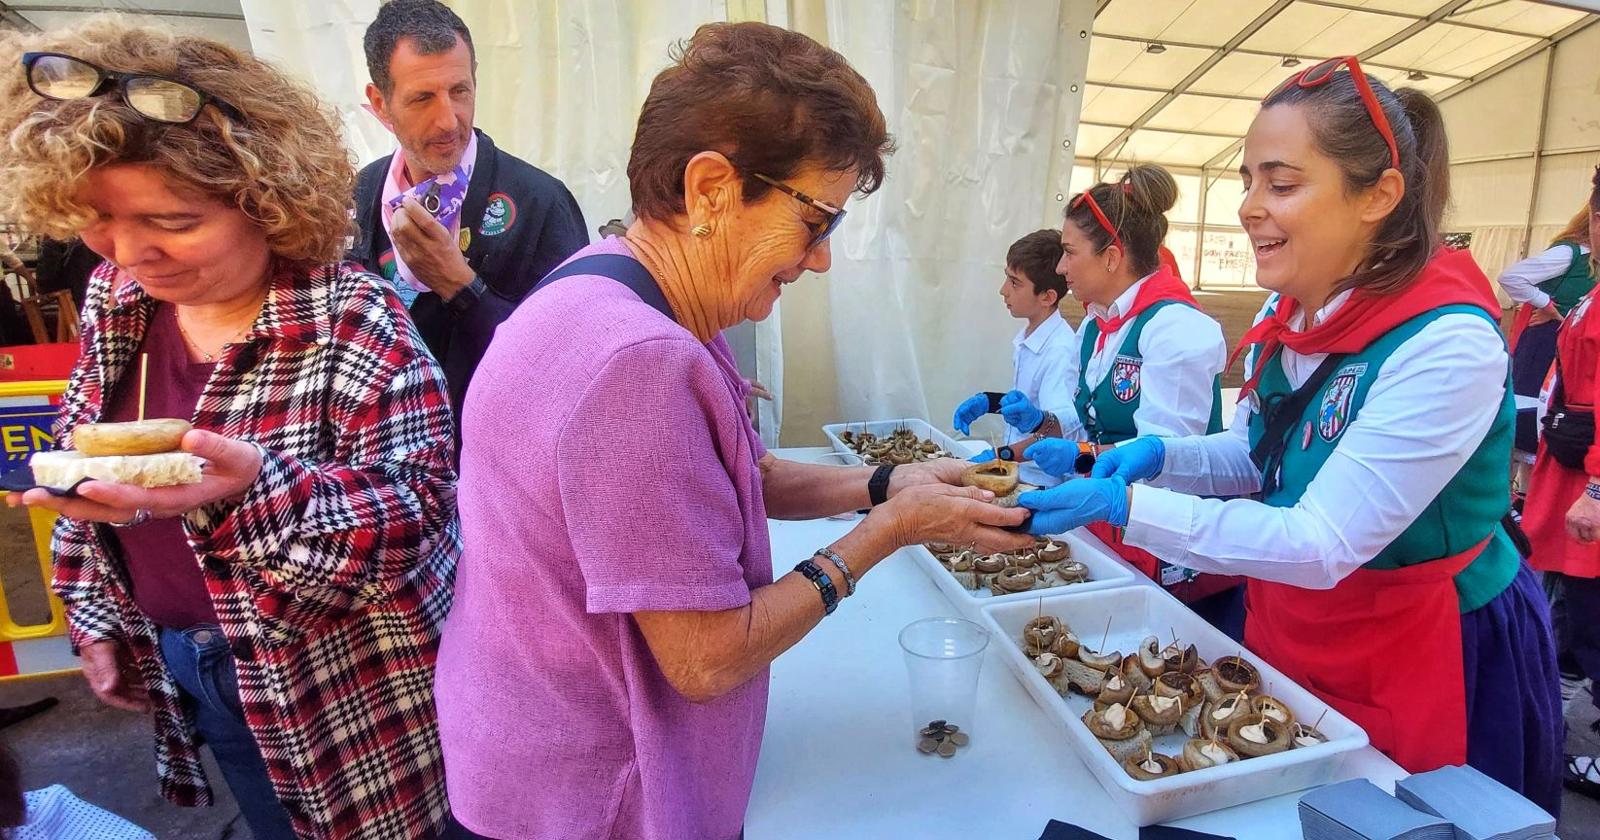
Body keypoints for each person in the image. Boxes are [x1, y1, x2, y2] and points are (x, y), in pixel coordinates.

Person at [433, 22, 1034, 840]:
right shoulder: (636, 363)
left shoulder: (618, 286)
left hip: (520, 749)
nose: (819, 260)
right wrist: (886, 533)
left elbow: (737, 473)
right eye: (816, 221)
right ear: (712, 188)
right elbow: (708, 660)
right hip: (588, 799)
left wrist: (891, 482)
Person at [1015, 56, 1563, 812]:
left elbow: (1322, 540)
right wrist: (1152, 457)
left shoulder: (1446, 344)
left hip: (1428, 644)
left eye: (1281, 183)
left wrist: (1127, 506)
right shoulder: (1300, 317)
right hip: (1299, 621)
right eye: (1247, 180)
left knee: (1386, 817)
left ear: (1380, 195)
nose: (1247, 206)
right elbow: (1254, 456)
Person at [0, 21, 458, 839]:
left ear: (267, 204)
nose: (132, 252)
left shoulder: (354, 317)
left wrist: (259, 492)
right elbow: (81, 448)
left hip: (349, 687)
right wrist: (93, 612)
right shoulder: (118, 298)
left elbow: (416, 518)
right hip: (192, 663)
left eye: (172, 220)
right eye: (99, 217)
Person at [1018, 165, 1239, 634]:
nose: (1060, 267)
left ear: (1113, 257)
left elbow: (1167, 463)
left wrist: (1081, 457)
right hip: (1110, 527)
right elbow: (1087, 429)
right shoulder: (1096, 327)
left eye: (1069, 253)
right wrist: (1047, 424)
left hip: (1168, 551)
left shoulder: (1177, 330)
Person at [351, 0, 589, 422]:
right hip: (384, 464)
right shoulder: (357, 195)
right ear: (380, 102)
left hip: (493, 462)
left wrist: (462, 286)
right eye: (422, 98)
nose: (447, 120)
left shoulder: (540, 201)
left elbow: (572, 367)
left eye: (459, 91)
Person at [1520, 165, 1600, 802]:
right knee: (1575, 617)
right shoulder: (1591, 290)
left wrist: (1597, 491)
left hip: (1587, 492)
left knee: (1592, 621)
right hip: (1567, 477)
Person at [951, 229, 1076, 487]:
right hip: (1020, 472)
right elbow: (1032, 406)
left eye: (1015, 283)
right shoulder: (1030, 336)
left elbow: (1058, 431)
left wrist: (1000, 457)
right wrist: (991, 402)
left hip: (1039, 481)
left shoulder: (1060, 351)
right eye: (1006, 278)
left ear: (1047, 297)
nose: (1003, 290)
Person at [1503, 205, 1595, 398]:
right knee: (1529, 400)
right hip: (1546, 340)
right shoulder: (1570, 253)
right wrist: (1547, 304)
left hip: (1577, 346)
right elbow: (1512, 277)